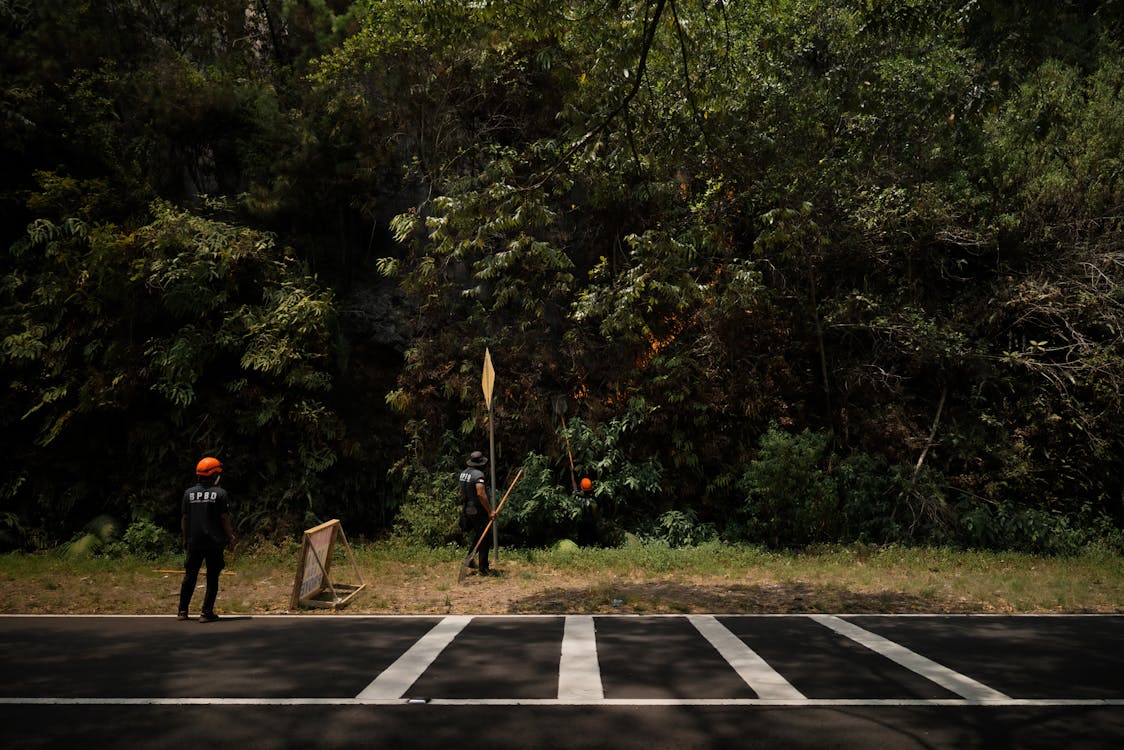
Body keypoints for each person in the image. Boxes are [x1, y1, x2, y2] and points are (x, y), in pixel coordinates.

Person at [178, 456, 236, 622]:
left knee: (189, 576)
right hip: (214, 543)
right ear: (214, 474)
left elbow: (184, 519)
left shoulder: (188, 494)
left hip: (193, 542)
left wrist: (185, 539)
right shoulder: (220, 493)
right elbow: (224, 518)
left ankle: (182, 611)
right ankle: (206, 612)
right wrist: (230, 536)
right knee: (212, 578)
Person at [458, 450, 496, 575]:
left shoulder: (464, 474)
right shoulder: (478, 475)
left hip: (467, 509)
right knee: (485, 537)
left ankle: (469, 559)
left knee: (480, 534)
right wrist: (490, 511)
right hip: (477, 510)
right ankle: (483, 568)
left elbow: (461, 492)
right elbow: (480, 493)